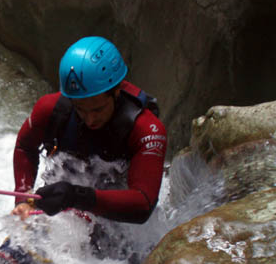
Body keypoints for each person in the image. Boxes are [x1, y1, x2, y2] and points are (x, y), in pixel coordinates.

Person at [11, 36, 167, 224]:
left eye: (98, 109)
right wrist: (24, 198)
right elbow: (25, 147)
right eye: (80, 109)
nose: (90, 119)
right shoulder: (50, 109)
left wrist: (76, 196)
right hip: (64, 203)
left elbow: (143, 204)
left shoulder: (145, 130)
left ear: (116, 91)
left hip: (117, 218)